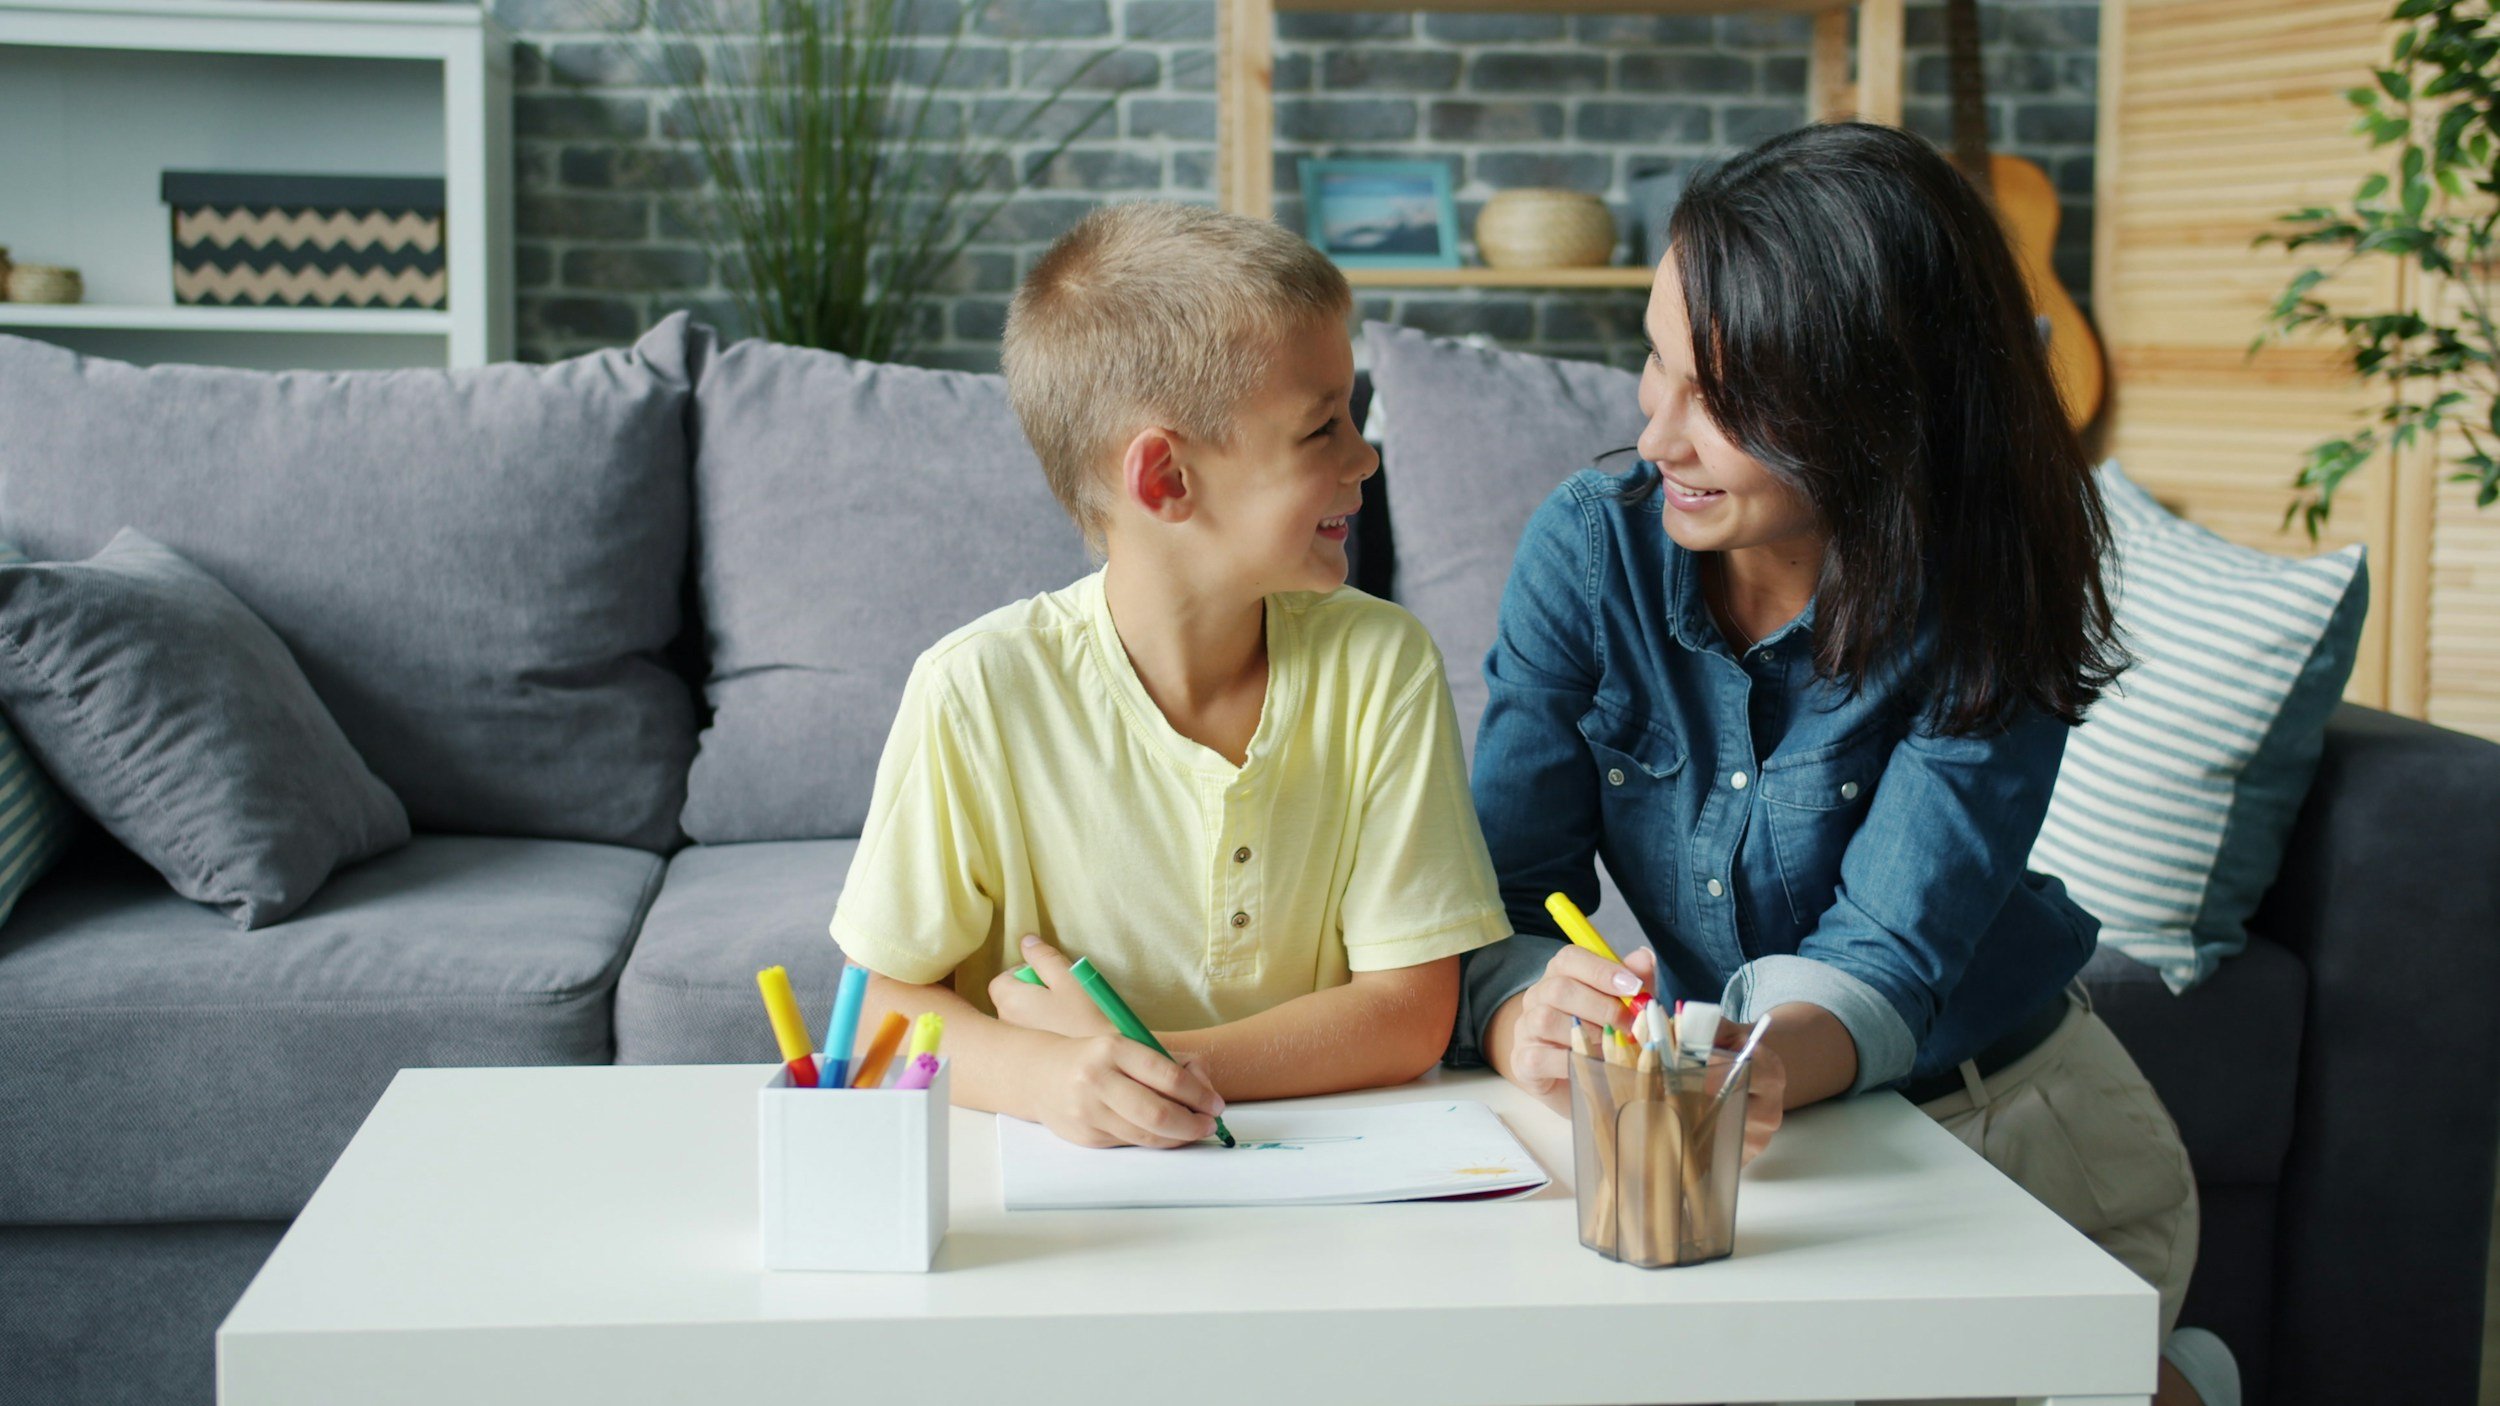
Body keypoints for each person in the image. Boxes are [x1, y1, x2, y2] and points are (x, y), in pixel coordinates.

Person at [1454, 123, 2233, 1406]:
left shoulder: (1981, 592)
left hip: (2006, 1130)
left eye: (1728, 399)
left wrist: (1742, 1064)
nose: (1659, 437)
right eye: (1654, 365)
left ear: (1881, 412)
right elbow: (1503, 888)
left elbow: (1887, 951)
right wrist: (1519, 1007)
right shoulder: (1594, 548)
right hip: (1760, 1136)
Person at [832, 202, 1511, 1152]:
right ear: (1167, 481)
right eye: (1322, 429)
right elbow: (872, 1011)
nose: (1366, 457)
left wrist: (1152, 1069)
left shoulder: (1381, 664)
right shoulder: (976, 691)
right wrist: (1047, 1077)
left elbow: (1410, 1013)